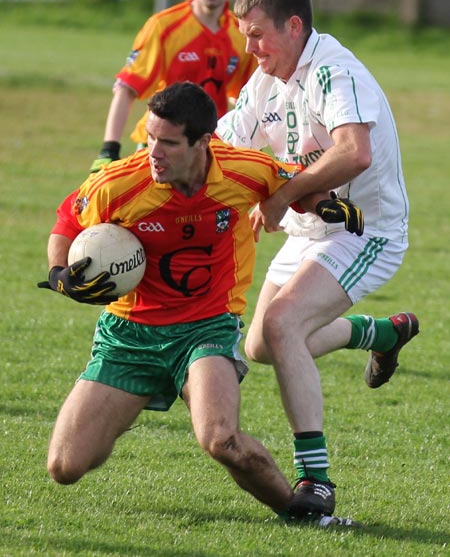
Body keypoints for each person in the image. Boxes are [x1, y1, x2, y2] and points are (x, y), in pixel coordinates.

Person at [38, 82, 363, 522]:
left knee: (220, 439)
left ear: (203, 142)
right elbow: (66, 221)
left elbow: (290, 182)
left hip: (205, 326)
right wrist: (61, 276)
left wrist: (325, 205)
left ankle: (305, 512)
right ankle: (126, 402)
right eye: (150, 138)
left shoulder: (241, 170)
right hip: (129, 334)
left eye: (168, 143)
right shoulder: (119, 184)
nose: (154, 151)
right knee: (65, 466)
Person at [216, 0, 419, 517]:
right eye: (244, 36)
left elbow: (355, 153)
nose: (249, 48)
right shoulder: (266, 81)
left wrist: (282, 194)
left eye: (257, 35)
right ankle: (382, 333)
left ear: (295, 26)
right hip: (312, 230)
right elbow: (224, 141)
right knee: (262, 345)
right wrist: (158, 157)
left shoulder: (333, 70)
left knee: (284, 326)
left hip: (362, 231)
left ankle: (316, 480)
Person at [90, 0, 256, 173]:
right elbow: (127, 88)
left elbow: (249, 100)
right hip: (159, 146)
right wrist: (109, 148)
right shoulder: (164, 27)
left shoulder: (241, 34)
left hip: (210, 149)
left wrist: (247, 150)